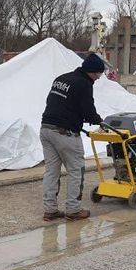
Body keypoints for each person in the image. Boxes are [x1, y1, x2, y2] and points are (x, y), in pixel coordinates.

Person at [39, 53, 106, 221]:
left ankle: (50, 210)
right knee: (76, 170)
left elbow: (54, 102)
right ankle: (73, 210)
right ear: (93, 72)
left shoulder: (61, 79)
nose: (98, 78)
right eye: (98, 74)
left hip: (46, 129)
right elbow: (88, 111)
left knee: (51, 172)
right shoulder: (84, 84)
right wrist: (99, 121)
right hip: (65, 134)